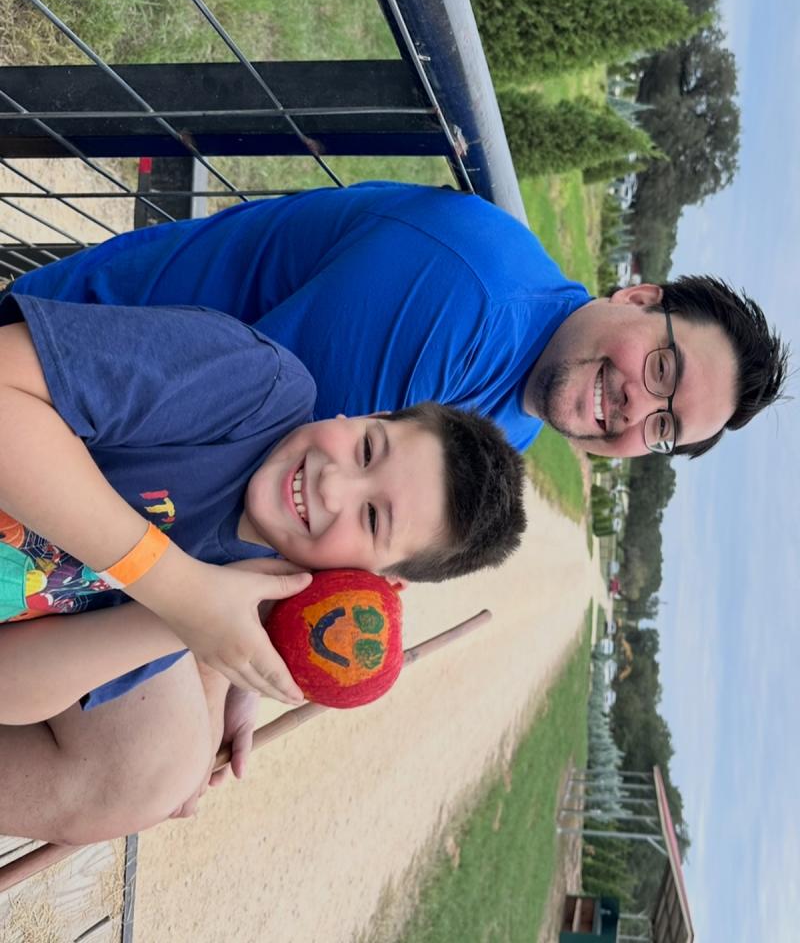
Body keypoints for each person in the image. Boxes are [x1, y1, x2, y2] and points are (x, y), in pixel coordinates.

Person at [0, 291, 526, 843]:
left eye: (372, 518)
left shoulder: (232, 587)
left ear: (375, 581)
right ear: (365, 416)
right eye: (367, 450)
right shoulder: (253, 383)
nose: (332, 483)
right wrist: (178, 588)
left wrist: (177, 621)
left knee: (154, 776)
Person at [9, 181, 789, 458]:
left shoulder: (515, 424)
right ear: (640, 299)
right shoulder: (460, 295)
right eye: (662, 370)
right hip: (61, 376)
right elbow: (235, 462)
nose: (635, 407)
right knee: (148, 753)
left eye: (661, 428)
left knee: (161, 750)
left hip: (126, 449)